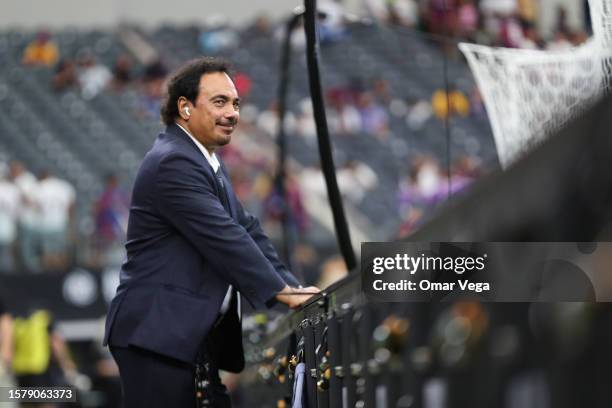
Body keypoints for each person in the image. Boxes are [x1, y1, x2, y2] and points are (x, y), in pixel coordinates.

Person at [103, 57, 319, 407]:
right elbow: (223, 236)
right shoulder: (174, 161)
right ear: (185, 108)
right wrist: (280, 292)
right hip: (156, 335)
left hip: (183, 338)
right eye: (219, 102)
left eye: (235, 103)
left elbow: (245, 228)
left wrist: (290, 286)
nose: (232, 113)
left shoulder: (203, 159)